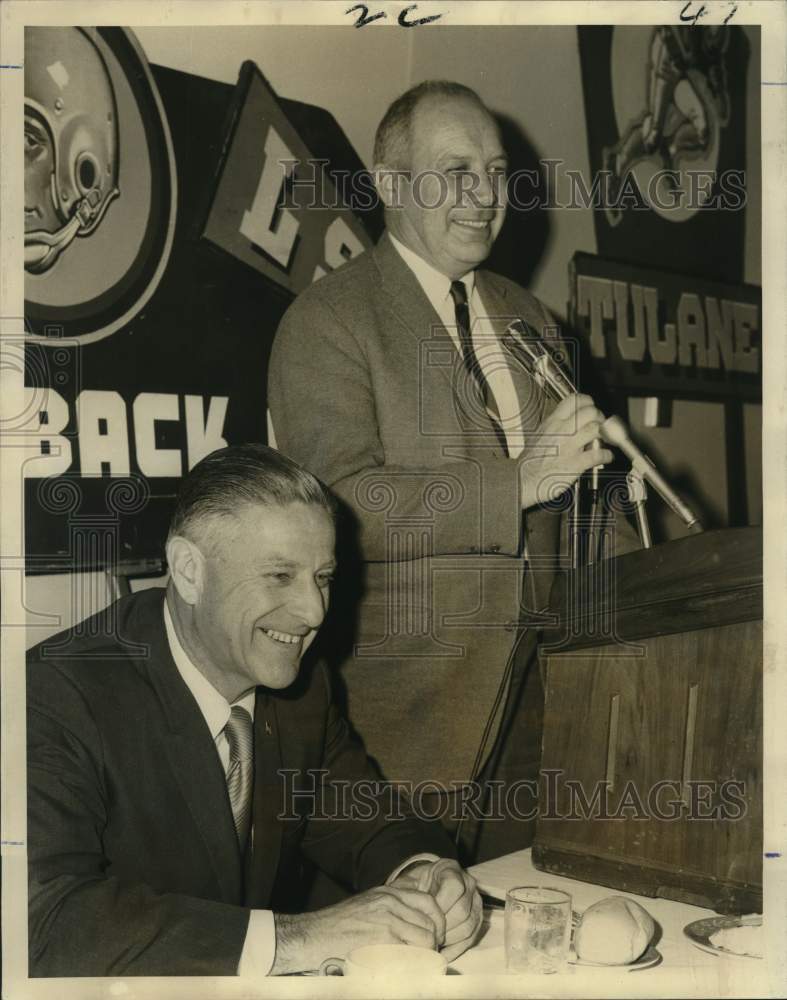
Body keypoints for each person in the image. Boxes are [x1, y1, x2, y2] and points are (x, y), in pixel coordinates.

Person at [269, 80, 627, 861]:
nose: (483, 196)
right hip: (403, 735)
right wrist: (517, 484)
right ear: (391, 184)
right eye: (454, 171)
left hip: (548, 715)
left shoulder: (532, 321)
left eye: (495, 173)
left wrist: (650, 598)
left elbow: (589, 499)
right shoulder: (327, 322)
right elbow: (333, 504)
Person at [27, 444, 481, 977]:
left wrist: (426, 873)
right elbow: (41, 922)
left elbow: (365, 817)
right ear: (189, 571)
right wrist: (296, 937)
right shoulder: (54, 694)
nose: (314, 611)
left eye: (324, 577)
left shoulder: (303, 687)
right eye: (279, 576)